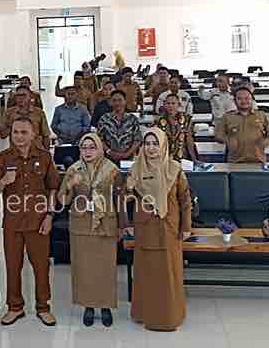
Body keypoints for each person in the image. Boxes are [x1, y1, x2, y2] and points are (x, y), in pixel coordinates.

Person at [0, 117, 60, 326]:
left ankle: (43, 307)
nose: (19, 136)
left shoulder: (45, 158)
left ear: (33, 135)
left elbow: (53, 188)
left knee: (41, 266)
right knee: (13, 266)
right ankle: (15, 307)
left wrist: (50, 216)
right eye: (15, 132)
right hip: (13, 223)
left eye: (23, 132)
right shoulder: (3, 158)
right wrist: (4, 181)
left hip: (38, 222)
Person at [124, 128, 192, 332]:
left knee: (169, 272)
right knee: (146, 272)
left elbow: (185, 199)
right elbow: (125, 200)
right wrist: (127, 223)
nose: (151, 148)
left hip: (169, 226)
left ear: (163, 145)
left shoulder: (174, 169)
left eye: (155, 143)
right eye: (147, 143)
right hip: (145, 226)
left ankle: (168, 317)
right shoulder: (135, 169)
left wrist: (186, 226)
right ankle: (144, 313)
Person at [57, 133, 121, 328]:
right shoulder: (73, 169)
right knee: (84, 269)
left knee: (105, 268)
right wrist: (70, 184)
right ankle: (88, 306)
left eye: (92, 147)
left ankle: (105, 306)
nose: (87, 151)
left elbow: (120, 199)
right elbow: (63, 200)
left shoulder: (112, 170)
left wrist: (122, 226)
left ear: (100, 148)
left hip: (105, 224)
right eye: (84, 147)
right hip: (82, 225)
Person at [215, 87, 269, 163]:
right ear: (234, 101)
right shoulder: (227, 117)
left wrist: (266, 141)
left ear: (252, 100)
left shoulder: (262, 115)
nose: (244, 101)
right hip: (234, 161)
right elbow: (218, 134)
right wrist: (227, 140)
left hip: (258, 160)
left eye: (247, 98)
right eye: (239, 99)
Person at [0, 86, 52, 150]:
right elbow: (2, 135)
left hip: (36, 151)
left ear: (30, 96)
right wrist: (11, 124)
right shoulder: (9, 113)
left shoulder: (39, 113)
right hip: (16, 151)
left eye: (24, 95)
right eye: (18, 95)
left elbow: (46, 135)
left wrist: (46, 152)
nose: (21, 98)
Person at [97, 90, 142, 163]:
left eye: (120, 100)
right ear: (110, 102)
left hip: (128, 158)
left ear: (125, 102)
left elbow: (137, 140)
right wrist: (109, 152)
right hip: (108, 159)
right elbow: (99, 139)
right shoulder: (104, 119)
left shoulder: (132, 119)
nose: (117, 103)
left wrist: (127, 154)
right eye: (114, 100)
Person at [157, 94, 199, 162]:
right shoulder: (158, 121)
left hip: (183, 157)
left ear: (178, 105)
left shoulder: (186, 120)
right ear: (164, 105)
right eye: (168, 103)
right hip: (164, 158)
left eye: (173, 103)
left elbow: (189, 140)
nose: (170, 106)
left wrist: (194, 159)